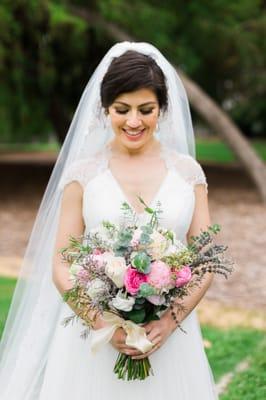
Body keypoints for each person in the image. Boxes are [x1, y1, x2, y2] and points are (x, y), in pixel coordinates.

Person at [0, 42, 218, 399]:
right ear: (105, 110)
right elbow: (60, 263)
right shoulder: (83, 174)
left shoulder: (188, 174)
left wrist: (169, 320)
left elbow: (206, 260)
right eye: (122, 109)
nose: (134, 121)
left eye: (146, 110)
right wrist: (103, 325)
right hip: (91, 340)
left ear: (162, 109)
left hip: (167, 340)